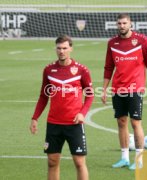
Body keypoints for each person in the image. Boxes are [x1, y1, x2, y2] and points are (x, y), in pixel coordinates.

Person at [30, 35, 94, 180]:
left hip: (74, 123)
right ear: (55, 49)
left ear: (71, 49)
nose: (61, 51)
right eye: (59, 48)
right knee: (52, 162)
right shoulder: (48, 70)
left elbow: (90, 95)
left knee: (79, 162)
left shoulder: (81, 70)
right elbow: (43, 96)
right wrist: (35, 118)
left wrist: (83, 113)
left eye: (65, 48)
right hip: (54, 123)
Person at [101, 13, 147, 170]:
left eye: (124, 23)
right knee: (121, 122)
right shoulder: (112, 43)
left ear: (130, 24)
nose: (122, 26)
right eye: (119, 23)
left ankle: (139, 160)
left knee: (135, 122)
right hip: (118, 88)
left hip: (135, 87)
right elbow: (108, 67)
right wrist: (104, 89)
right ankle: (124, 158)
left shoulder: (141, 40)